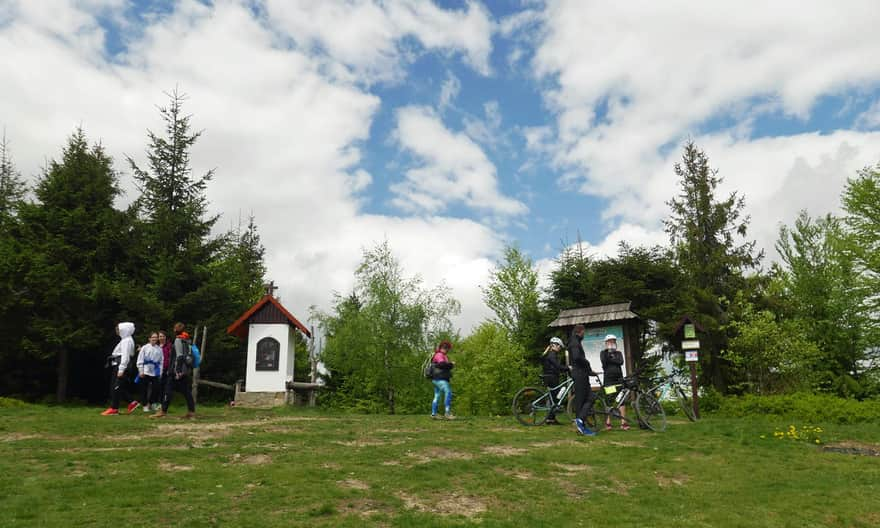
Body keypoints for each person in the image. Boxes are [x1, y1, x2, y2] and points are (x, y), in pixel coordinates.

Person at [152, 322, 196, 419]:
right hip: (185, 369)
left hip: (176, 370)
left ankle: (163, 411)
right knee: (186, 391)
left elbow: (179, 356)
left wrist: (177, 371)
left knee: (168, 390)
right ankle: (191, 412)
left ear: (175, 330)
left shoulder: (178, 340)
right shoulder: (187, 339)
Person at [101, 322, 139, 416]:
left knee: (116, 386)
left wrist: (121, 369)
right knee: (118, 386)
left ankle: (114, 408)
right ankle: (131, 402)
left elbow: (125, 356)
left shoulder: (126, 341)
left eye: (119, 329)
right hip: (119, 364)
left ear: (124, 330)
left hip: (121, 364)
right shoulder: (126, 340)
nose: (117, 331)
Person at [568, 325, 599, 436]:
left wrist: (590, 372)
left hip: (582, 374)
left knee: (589, 398)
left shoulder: (576, 341)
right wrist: (587, 362)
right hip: (580, 375)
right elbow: (577, 357)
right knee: (582, 400)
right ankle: (580, 424)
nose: (584, 334)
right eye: (583, 332)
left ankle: (580, 422)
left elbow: (577, 361)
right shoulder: (574, 342)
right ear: (580, 332)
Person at [600, 334, 629, 431]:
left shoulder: (619, 353)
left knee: (621, 400)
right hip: (609, 381)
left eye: (613, 341)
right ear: (606, 343)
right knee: (609, 400)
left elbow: (620, 362)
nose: (612, 343)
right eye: (609, 341)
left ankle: (623, 422)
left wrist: (612, 358)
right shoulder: (603, 353)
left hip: (619, 379)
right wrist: (610, 354)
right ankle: (608, 422)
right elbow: (604, 361)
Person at [541, 337, 569, 425]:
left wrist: (564, 369)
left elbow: (557, 367)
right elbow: (557, 366)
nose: (560, 348)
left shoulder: (550, 354)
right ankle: (550, 418)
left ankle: (551, 419)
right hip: (551, 378)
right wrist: (568, 368)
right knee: (556, 397)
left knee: (553, 398)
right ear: (554, 345)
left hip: (550, 377)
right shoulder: (552, 355)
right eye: (559, 346)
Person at [136, 332, 164, 412]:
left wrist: (160, 372)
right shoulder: (145, 348)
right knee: (144, 389)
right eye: (153, 337)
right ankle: (145, 405)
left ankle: (151, 404)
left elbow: (161, 361)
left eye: (156, 337)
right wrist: (141, 371)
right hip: (145, 370)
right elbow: (140, 360)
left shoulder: (159, 349)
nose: (155, 339)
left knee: (156, 388)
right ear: (149, 338)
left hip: (155, 371)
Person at [430, 341, 455, 420]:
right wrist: (451, 364)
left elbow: (442, 365)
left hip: (436, 379)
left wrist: (449, 365)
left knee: (437, 395)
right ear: (443, 348)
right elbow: (442, 364)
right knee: (448, 392)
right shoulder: (440, 355)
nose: (448, 350)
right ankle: (447, 413)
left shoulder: (439, 355)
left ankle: (434, 414)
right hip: (440, 379)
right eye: (447, 348)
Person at [157, 330, 171, 403]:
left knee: (164, 386)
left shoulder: (169, 346)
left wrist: (169, 368)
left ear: (165, 337)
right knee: (156, 386)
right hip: (156, 369)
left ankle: (162, 403)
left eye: (162, 336)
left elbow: (170, 358)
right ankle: (154, 403)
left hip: (166, 369)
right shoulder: (156, 346)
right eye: (160, 336)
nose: (161, 338)